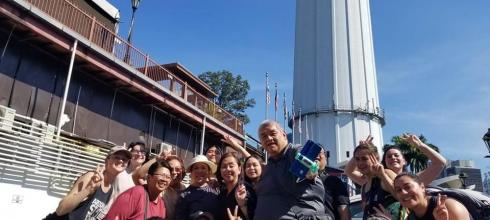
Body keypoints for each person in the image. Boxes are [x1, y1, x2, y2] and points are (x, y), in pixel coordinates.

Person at [254, 120, 329, 220]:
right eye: (263, 136)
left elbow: (308, 163)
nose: (269, 138)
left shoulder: (294, 152)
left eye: (273, 133)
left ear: (284, 134)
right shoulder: (268, 167)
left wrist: (311, 169)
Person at [51, 146, 131, 220]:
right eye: (116, 157)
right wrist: (89, 189)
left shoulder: (110, 190)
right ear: (107, 160)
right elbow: (60, 210)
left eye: (125, 159)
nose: (121, 160)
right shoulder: (91, 176)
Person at [345, 138, 397, 220]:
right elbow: (348, 171)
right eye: (357, 159)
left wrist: (382, 175)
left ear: (375, 158)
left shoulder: (386, 173)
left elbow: (401, 196)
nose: (360, 163)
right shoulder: (364, 186)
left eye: (364, 159)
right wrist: (361, 148)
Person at [104, 160, 172, 219]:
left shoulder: (162, 205)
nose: (164, 179)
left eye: (168, 177)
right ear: (149, 178)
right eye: (162, 175)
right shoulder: (136, 194)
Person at [393, 173, 470, 220]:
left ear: (422, 187)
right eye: (398, 190)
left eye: (407, 187)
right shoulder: (411, 218)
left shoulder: (450, 207)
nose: (403, 192)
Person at [382, 134, 446, 185]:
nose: (393, 158)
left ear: (405, 161)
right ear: (385, 161)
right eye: (389, 156)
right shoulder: (379, 178)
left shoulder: (413, 179)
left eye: (396, 155)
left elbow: (440, 163)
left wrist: (420, 145)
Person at [175, 155, 220, 219]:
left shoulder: (216, 191)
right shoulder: (184, 195)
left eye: (203, 168)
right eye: (196, 168)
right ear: (191, 172)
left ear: (209, 172)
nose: (199, 171)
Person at [216, 152, 257, 220]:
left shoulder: (245, 189)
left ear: (239, 169)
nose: (228, 169)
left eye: (231, 166)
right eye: (223, 167)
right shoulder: (221, 194)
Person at [317, 147, 351, 220]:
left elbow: (344, 212)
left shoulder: (333, 181)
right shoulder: (299, 181)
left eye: (319, 153)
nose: (316, 156)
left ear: (325, 157)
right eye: (313, 153)